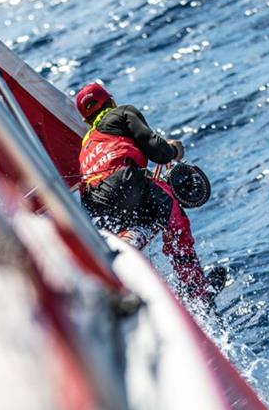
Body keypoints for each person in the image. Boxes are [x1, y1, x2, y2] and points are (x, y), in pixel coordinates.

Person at [76, 83, 226, 304]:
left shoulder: (85, 144)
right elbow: (158, 151)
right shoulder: (122, 112)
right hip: (123, 183)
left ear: (87, 121)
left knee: (145, 215)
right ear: (111, 102)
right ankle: (198, 290)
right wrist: (174, 150)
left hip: (93, 202)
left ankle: (128, 245)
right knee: (174, 214)